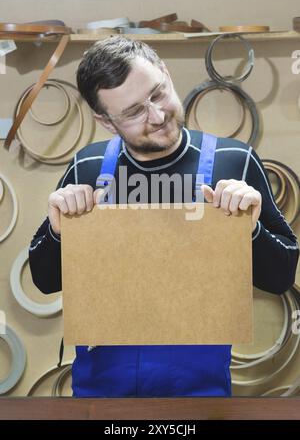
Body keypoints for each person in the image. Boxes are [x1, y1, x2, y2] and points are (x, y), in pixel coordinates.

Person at [29, 36, 299, 397]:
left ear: (167, 74)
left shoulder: (233, 162)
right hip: (101, 392)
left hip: (199, 393)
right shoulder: (88, 168)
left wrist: (248, 229)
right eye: (133, 112)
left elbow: (280, 276)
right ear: (106, 121)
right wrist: (59, 232)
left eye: (158, 94)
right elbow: (45, 281)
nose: (157, 116)